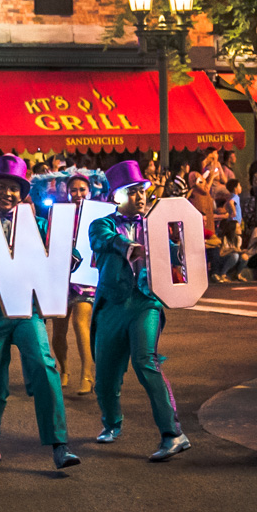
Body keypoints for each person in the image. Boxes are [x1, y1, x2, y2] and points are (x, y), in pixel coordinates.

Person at [0, 154, 80, 469]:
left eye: (15, 188)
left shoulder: (39, 223)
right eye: (2, 187)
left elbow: (69, 253)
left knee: (46, 369)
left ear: (23, 193)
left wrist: (62, 258)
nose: (8, 194)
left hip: (27, 309)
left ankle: (59, 445)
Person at [88, 160, 190, 460]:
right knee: (106, 373)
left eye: (143, 190)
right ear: (116, 196)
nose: (141, 196)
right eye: (133, 192)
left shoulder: (155, 224)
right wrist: (129, 246)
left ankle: (173, 433)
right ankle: (112, 424)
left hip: (146, 302)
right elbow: (103, 240)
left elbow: (176, 253)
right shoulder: (102, 224)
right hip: (111, 305)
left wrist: (176, 244)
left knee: (147, 363)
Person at [50, 172, 98, 395]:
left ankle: (87, 374)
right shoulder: (58, 213)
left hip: (85, 278)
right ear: (67, 192)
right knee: (58, 330)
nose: (78, 194)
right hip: (61, 276)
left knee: (81, 324)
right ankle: (64, 370)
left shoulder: (98, 214)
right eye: (74, 190)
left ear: (89, 191)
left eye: (82, 190)